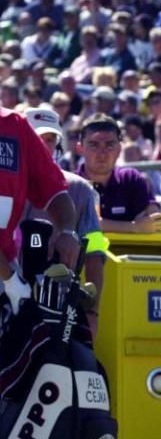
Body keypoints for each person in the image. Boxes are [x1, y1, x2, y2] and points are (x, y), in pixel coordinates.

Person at [22, 107, 106, 336]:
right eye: (38, 138)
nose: (44, 145)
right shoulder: (7, 185)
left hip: (61, 308)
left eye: (50, 140)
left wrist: (93, 313)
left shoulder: (80, 188)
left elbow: (95, 253)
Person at [0, 107, 79, 315]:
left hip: (7, 266)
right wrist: (9, 279)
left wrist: (67, 231)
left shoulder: (15, 124)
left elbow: (52, 187)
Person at [77, 114, 161, 234]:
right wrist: (135, 227)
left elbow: (155, 221)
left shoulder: (132, 178)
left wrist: (148, 221)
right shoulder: (72, 184)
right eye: (94, 145)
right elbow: (91, 223)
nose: (102, 153)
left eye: (110, 145)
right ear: (80, 149)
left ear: (119, 149)